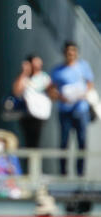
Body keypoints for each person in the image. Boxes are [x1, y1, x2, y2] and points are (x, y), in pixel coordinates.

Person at [48, 41, 95, 176]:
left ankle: (80, 173)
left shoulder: (83, 66)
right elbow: (51, 90)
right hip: (65, 110)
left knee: (82, 142)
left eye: (73, 51)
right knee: (64, 142)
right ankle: (63, 172)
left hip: (81, 110)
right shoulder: (57, 70)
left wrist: (82, 94)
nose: (71, 54)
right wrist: (61, 97)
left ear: (76, 53)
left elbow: (89, 84)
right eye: (68, 51)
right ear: (65, 53)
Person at [12, 55, 52, 148]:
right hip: (26, 113)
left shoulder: (44, 77)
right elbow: (16, 92)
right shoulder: (24, 78)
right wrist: (24, 72)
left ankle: (34, 161)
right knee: (28, 141)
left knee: (36, 140)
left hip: (40, 113)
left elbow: (52, 92)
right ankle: (28, 161)